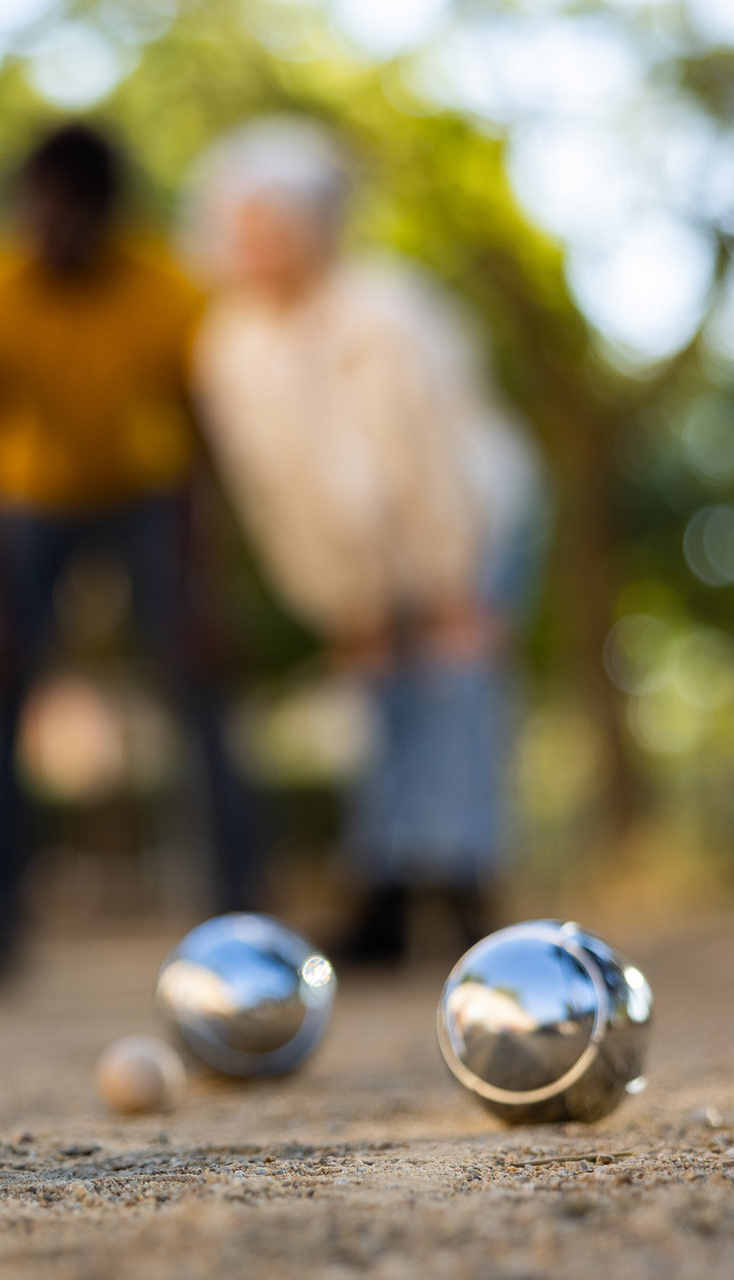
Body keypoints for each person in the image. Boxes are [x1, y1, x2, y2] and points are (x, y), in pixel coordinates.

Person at [186, 118, 548, 964]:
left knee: (455, 693)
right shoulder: (227, 346)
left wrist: (456, 587)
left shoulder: (389, 312)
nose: (253, 247)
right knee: (378, 699)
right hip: (361, 555)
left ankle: (467, 895)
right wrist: (344, 603)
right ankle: (383, 897)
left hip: (475, 517)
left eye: (272, 227)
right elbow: (275, 498)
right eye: (240, 227)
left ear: (317, 226)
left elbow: (427, 462)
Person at [0, 122, 263, 983]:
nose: (52, 226)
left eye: (73, 210)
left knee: (203, 696)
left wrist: (201, 596)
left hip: (142, 502)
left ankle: (242, 921)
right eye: (38, 206)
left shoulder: (164, 289)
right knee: (3, 704)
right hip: (21, 509)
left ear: (107, 214)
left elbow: (201, 449)